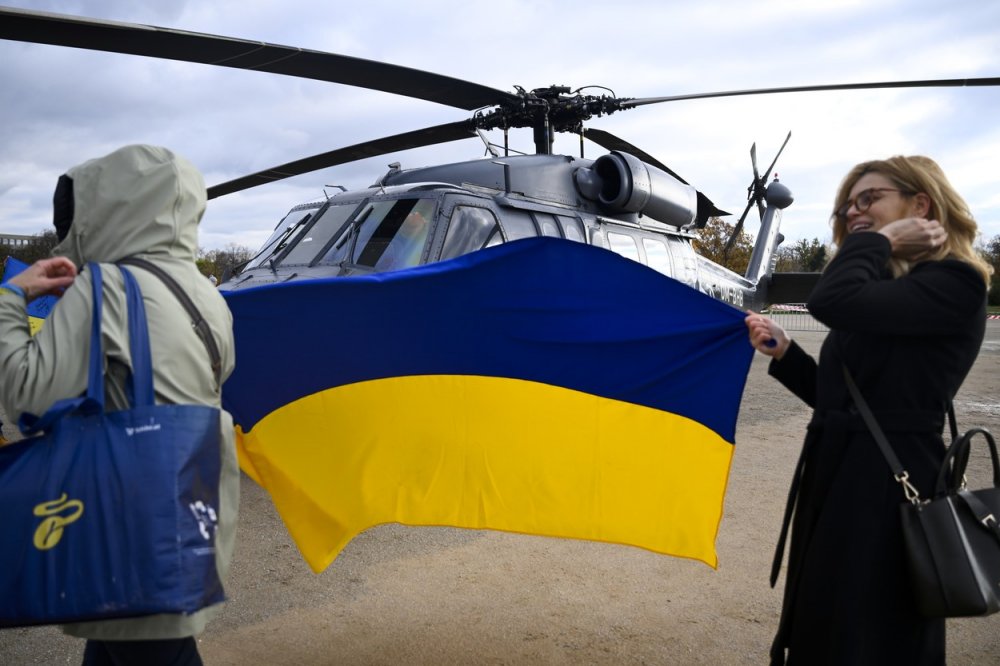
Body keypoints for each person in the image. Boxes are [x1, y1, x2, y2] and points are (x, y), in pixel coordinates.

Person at [745, 155, 991, 665]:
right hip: (839, 477)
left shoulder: (955, 283)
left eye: (869, 198)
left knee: (870, 633)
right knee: (827, 621)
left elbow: (828, 300)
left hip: (889, 484)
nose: (852, 213)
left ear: (919, 203)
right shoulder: (880, 293)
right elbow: (842, 400)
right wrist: (787, 355)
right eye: (846, 207)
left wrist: (878, 242)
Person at [0, 145, 238, 666]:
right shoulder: (206, 293)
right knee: (134, 639)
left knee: (150, 643)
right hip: (188, 512)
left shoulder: (104, 288)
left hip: (124, 523)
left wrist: (10, 299)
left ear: (102, 210)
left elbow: (25, 396)